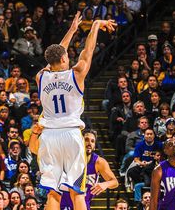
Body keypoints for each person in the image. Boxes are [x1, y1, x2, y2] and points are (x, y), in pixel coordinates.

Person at [29, 12, 116, 210]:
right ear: (64, 58)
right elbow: (89, 49)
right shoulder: (76, 74)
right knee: (77, 192)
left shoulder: (40, 77)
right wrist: (95, 26)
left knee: (53, 192)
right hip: (70, 135)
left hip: (49, 137)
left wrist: (71, 30)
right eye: (66, 55)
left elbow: (56, 55)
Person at [60, 129, 118, 209]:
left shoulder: (99, 162)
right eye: (86, 140)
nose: (89, 143)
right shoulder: (67, 158)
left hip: (83, 204)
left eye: (92, 141)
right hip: (63, 204)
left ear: (94, 147)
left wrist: (105, 184)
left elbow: (115, 182)